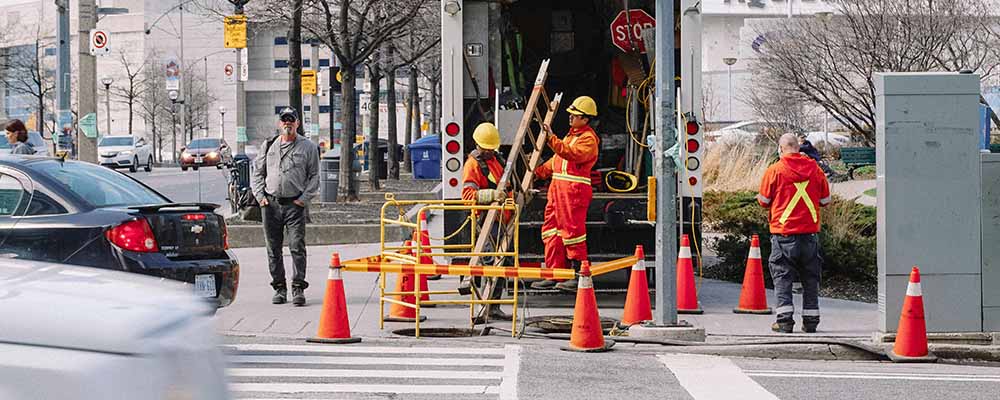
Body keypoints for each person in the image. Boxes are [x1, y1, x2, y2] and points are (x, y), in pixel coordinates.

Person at [758, 133, 831, 333]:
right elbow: (825, 201)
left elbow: (763, 201)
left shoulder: (775, 170)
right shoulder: (815, 170)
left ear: (781, 149)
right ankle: (811, 322)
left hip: (784, 235)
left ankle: (784, 322)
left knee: (782, 277)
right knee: (810, 278)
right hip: (809, 235)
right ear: (798, 149)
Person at [529, 96, 600, 292]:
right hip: (558, 192)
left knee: (573, 234)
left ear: (585, 119)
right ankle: (555, 273)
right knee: (551, 232)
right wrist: (535, 172)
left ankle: (579, 275)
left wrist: (551, 138)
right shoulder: (571, 137)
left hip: (573, 193)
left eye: (574, 115)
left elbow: (571, 154)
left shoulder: (588, 139)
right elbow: (555, 163)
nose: (570, 117)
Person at [251, 107, 320, 306]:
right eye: (284, 120)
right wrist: (260, 197)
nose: (287, 123)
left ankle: (298, 287)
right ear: (279, 123)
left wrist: (303, 199)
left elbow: (315, 176)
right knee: (273, 249)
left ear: (297, 123)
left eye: (291, 120)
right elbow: (258, 172)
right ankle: (279, 288)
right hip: (270, 204)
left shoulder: (308, 147)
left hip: (294, 205)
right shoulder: (268, 145)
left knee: (297, 247)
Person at [462, 122, 511, 321]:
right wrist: (492, 194)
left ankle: (493, 306)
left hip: (502, 220)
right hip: (485, 221)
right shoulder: (473, 165)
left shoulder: (496, 159)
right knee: (490, 261)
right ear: (478, 145)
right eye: (486, 148)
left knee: (503, 260)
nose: (490, 151)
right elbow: (467, 195)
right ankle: (485, 306)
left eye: (492, 148)